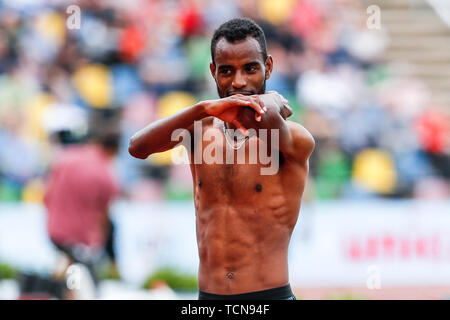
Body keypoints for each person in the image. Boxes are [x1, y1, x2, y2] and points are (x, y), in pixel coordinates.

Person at [129, 18, 315, 300]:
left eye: (250, 69)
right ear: (213, 72)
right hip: (208, 299)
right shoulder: (199, 130)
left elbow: (271, 121)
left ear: (268, 67)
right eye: (227, 71)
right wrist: (202, 108)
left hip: (268, 297)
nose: (238, 82)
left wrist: (272, 101)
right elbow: (137, 147)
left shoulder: (292, 139)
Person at [44, 114, 121, 298]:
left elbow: (46, 196)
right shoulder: (106, 175)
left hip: (55, 231)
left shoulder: (65, 158)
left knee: (66, 276)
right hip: (81, 240)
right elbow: (104, 217)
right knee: (86, 286)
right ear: (114, 149)